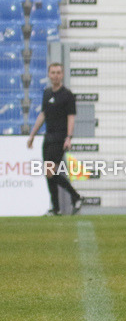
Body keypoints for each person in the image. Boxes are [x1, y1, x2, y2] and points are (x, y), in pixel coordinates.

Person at [27, 62, 84, 215]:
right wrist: (32, 135)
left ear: (62, 74)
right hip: (48, 137)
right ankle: (56, 208)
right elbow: (43, 114)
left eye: (58, 72)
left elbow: (71, 117)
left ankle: (76, 197)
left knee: (50, 171)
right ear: (49, 74)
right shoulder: (46, 93)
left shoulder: (67, 95)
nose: (55, 75)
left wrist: (69, 137)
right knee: (48, 173)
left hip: (60, 138)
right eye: (53, 72)